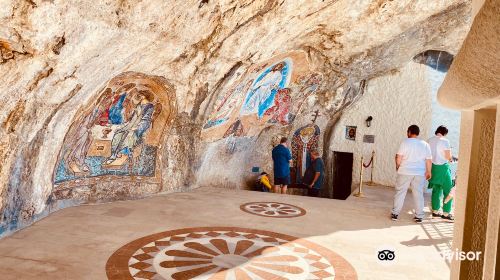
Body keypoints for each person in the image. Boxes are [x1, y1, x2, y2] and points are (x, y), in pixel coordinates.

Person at [391, 125, 432, 223]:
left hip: (405, 171)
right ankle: (419, 216)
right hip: (419, 173)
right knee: (418, 194)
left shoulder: (405, 142)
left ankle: (395, 214)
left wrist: (398, 166)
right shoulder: (425, 144)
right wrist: (428, 171)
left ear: (409, 132)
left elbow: (399, 157)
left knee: (400, 192)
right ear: (418, 133)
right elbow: (429, 160)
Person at [428, 125, 454, 222]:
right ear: (445, 133)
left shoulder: (430, 140)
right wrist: (451, 158)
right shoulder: (445, 141)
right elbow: (448, 157)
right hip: (443, 167)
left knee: (436, 189)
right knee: (448, 190)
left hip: (433, 167)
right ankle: (446, 213)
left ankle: (435, 211)